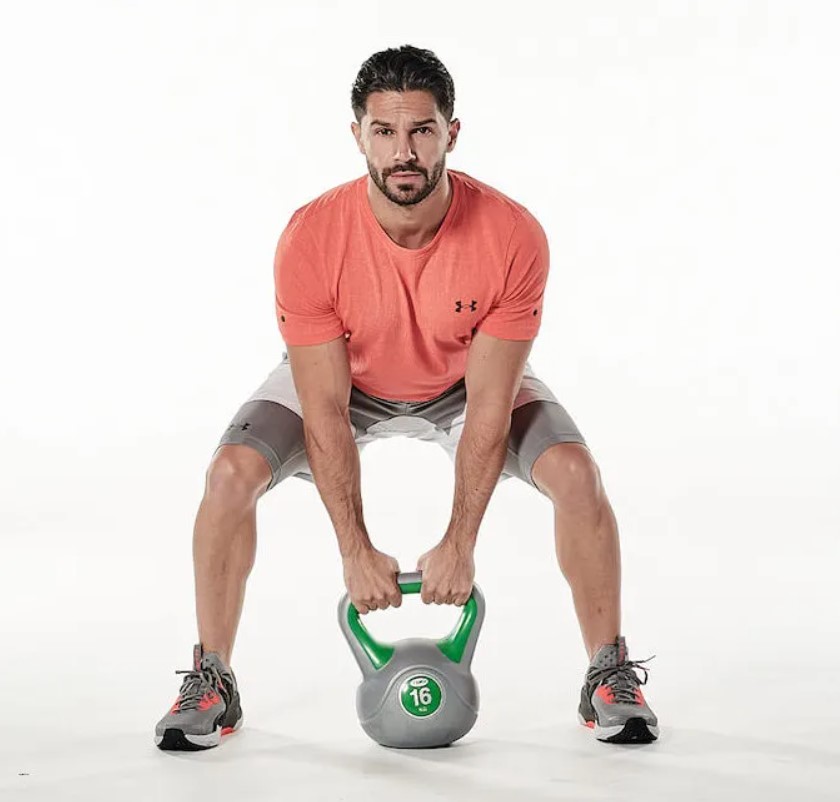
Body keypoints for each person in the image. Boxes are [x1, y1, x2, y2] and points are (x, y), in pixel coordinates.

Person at [154, 44, 659, 751]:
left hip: (463, 381)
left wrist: (460, 543)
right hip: (348, 381)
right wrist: (355, 550)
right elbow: (325, 410)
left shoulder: (512, 235)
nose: (404, 152)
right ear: (357, 134)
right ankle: (213, 679)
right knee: (228, 475)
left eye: (421, 131)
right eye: (384, 132)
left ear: (451, 133)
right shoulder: (311, 236)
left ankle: (608, 673)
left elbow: (487, 408)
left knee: (576, 475)